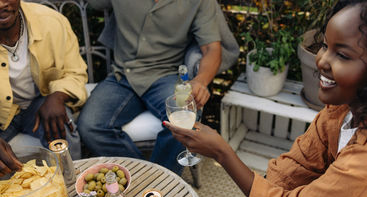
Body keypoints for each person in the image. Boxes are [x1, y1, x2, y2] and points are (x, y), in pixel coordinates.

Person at [164, 0, 367, 197]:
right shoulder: (345, 108)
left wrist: (222, 151)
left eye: (342, 55)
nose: (321, 60)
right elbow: (297, 163)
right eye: (324, 45)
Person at [77, 0, 223, 175]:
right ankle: (142, 177)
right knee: (89, 126)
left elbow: (211, 48)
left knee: (186, 117)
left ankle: (160, 184)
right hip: (122, 75)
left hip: (165, 74)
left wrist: (200, 81)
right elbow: (96, 4)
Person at [0, 0, 88, 172]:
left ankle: (73, 187)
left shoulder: (51, 22)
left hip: (38, 102)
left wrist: (58, 96)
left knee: (62, 130)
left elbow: (75, 72)